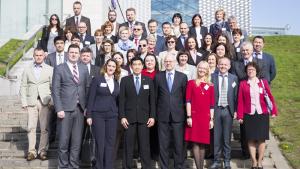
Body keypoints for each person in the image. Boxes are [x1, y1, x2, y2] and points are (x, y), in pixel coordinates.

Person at [52, 44, 89, 169]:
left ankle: (74, 165)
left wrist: (87, 107)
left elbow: (86, 88)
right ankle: (63, 166)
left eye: (76, 52)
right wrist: (59, 108)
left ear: (79, 54)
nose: (74, 54)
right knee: (63, 141)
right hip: (65, 110)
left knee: (76, 142)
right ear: (68, 53)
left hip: (80, 109)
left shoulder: (83, 68)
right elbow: (55, 90)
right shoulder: (59, 68)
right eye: (71, 52)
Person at [237, 62, 278, 169]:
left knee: (261, 139)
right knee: (250, 139)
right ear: (246, 71)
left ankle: (260, 162)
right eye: (249, 69)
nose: (250, 71)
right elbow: (240, 101)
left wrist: (273, 111)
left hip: (262, 114)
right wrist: (240, 116)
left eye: (252, 69)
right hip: (248, 114)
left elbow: (270, 97)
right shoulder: (243, 84)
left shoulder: (263, 82)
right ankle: (254, 162)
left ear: (256, 71)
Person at [119, 57, 155, 169]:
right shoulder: (125, 80)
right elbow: (121, 100)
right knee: (128, 146)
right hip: (128, 118)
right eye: (135, 64)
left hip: (145, 118)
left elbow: (152, 100)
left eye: (139, 64)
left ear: (142, 66)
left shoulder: (148, 80)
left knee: (144, 146)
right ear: (131, 66)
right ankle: (127, 166)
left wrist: (152, 116)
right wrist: (122, 116)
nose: (137, 66)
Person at [86, 59, 121, 169]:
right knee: (100, 143)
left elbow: (117, 99)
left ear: (116, 69)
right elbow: (91, 98)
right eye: (109, 66)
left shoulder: (116, 82)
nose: (111, 68)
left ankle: (108, 166)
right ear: (106, 67)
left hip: (112, 115)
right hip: (98, 115)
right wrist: (89, 115)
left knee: (110, 143)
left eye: (113, 66)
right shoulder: (97, 79)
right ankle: (99, 166)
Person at [154, 54, 188, 169]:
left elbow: (184, 97)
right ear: (163, 63)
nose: (168, 63)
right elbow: (155, 98)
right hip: (162, 116)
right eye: (166, 61)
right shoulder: (158, 77)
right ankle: (164, 166)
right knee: (163, 145)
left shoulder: (182, 77)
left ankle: (179, 166)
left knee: (178, 144)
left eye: (170, 61)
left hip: (178, 116)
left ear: (175, 62)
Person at [20, 47, 53, 161]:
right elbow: (23, 86)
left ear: (44, 56)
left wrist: (52, 101)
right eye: (36, 55)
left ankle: (42, 151)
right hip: (31, 102)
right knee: (31, 128)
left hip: (45, 102)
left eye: (40, 55)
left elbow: (54, 86)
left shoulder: (50, 69)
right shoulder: (27, 70)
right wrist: (24, 102)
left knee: (44, 128)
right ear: (33, 56)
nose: (38, 57)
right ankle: (31, 151)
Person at [184, 61, 214, 169]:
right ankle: (198, 167)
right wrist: (189, 116)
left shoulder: (210, 85)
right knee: (195, 143)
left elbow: (211, 104)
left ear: (207, 71)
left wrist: (211, 119)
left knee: (203, 143)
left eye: (204, 68)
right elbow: (188, 101)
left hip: (205, 117)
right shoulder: (191, 83)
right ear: (197, 69)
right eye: (200, 68)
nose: (201, 70)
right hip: (194, 116)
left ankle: (200, 167)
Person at [210, 57, 238, 169]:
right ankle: (216, 160)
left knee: (226, 138)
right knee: (216, 137)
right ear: (217, 65)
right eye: (221, 64)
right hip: (216, 110)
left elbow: (236, 96)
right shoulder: (212, 77)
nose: (223, 66)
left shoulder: (234, 78)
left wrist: (235, 110)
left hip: (228, 110)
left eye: (225, 65)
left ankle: (227, 161)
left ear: (229, 66)